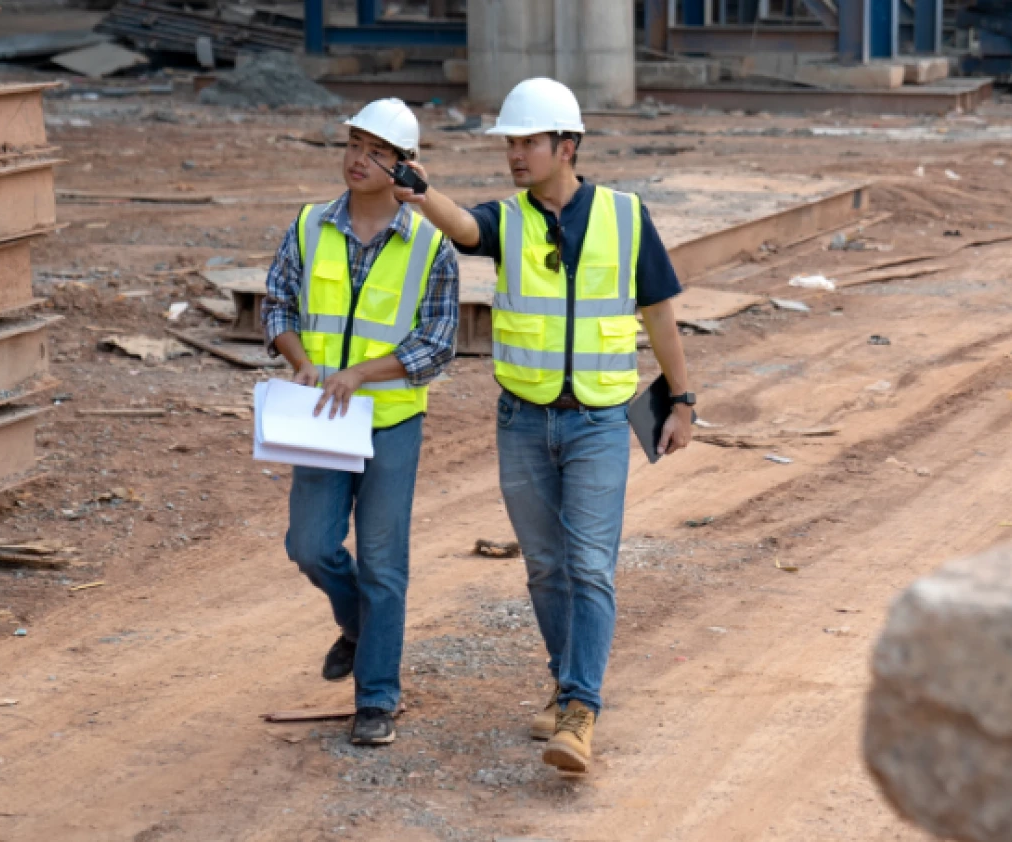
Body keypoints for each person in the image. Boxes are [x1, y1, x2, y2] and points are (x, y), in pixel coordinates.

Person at [393, 78, 694, 773]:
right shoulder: (511, 220)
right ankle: (566, 689)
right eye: (510, 143)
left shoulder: (626, 217)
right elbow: (465, 228)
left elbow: (659, 317)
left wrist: (683, 400)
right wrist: (418, 191)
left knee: (589, 565)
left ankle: (581, 711)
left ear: (568, 146)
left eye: (527, 142)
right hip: (522, 423)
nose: (515, 155)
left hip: (596, 423)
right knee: (547, 569)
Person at [262, 98, 460, 746]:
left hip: (391, 420)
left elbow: (435, 345)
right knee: (310, 545)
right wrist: (301, 360)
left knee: (382, 562)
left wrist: (361, 374)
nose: (357, 160)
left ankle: (376, 697)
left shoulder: (431, 245)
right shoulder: (310, 226)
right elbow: (279, 304)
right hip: (321, 415)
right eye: (352, 144)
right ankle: (356, 624)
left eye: (376, 152)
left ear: (406, 167)